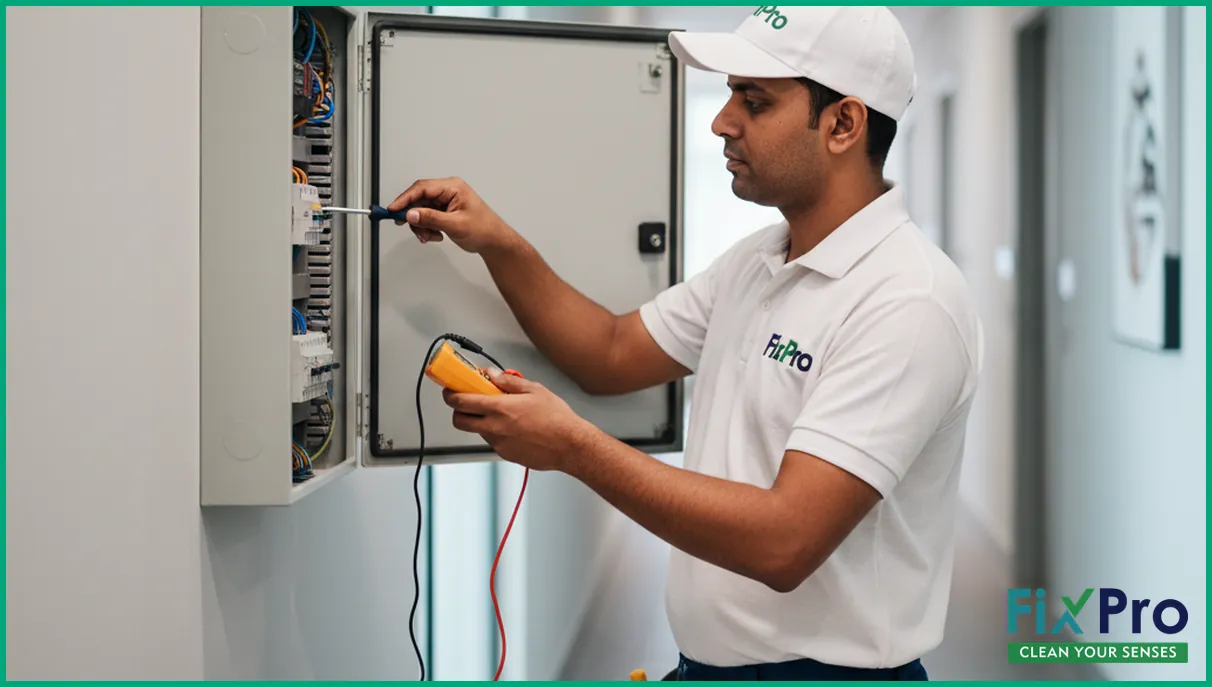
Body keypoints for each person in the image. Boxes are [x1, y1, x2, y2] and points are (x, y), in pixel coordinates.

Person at [388, 5, 983, 682]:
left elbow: (786, 540)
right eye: (730, 93)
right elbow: (610, 352)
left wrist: (575, 449)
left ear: (843, 124)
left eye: (753, 100)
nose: (722, 120)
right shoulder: (759, 261)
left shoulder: (908, 300)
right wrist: (496, 239)